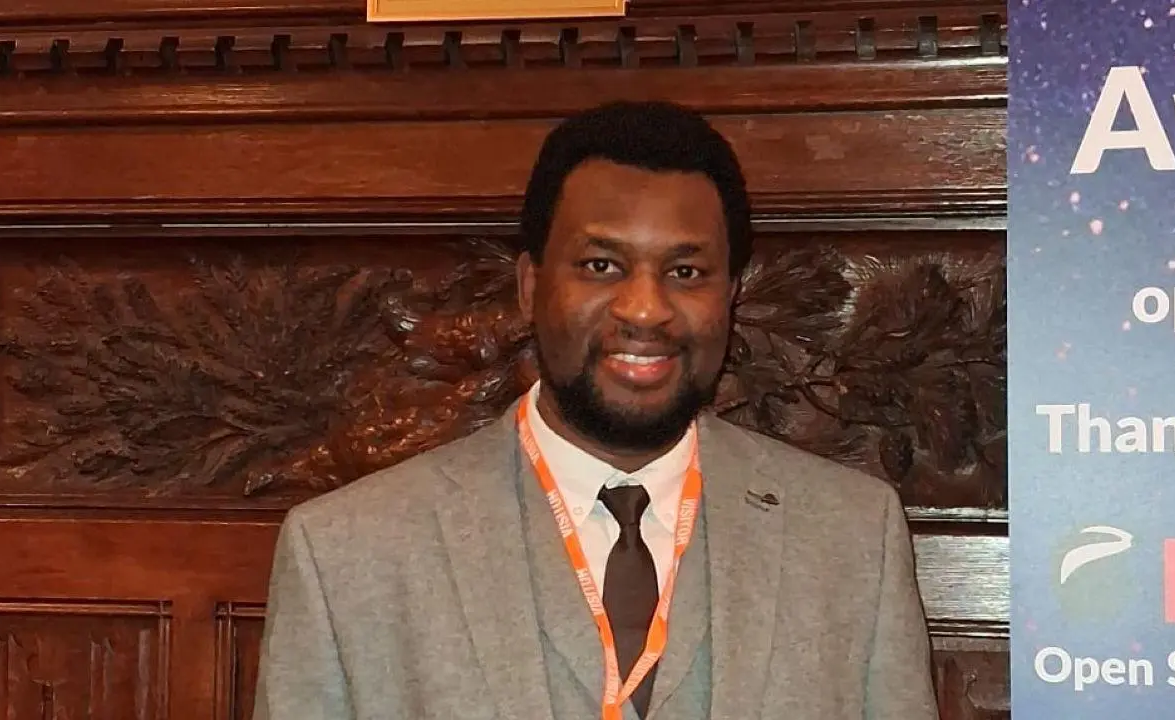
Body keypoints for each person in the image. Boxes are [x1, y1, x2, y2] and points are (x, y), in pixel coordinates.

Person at [251, 100, 939, 720]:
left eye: (686, 272)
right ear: (530, 287)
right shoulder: (346, 554)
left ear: (730, 295)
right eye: (601, 266)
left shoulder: (854, 539)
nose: (645, 310)